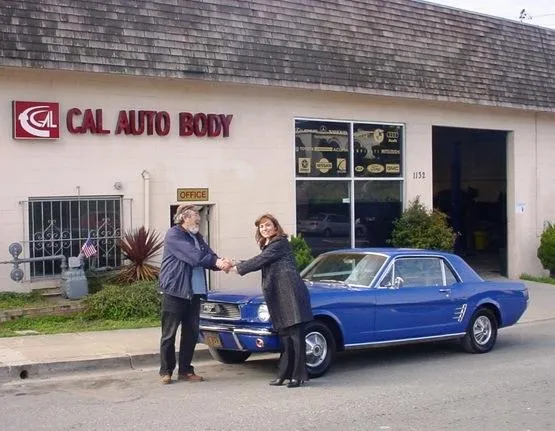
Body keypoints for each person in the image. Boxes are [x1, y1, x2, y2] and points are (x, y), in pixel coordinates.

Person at [232, 214, 313, 388]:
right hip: (279, 295)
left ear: (276, 227)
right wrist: (234, 263)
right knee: (284, 337)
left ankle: (298, 376)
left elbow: (261, 260)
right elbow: (261, 260)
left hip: (290, 294)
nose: (265, 229)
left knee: (295, 336)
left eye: (268, 225)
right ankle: (283, 374)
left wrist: (236, 268)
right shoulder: (268, 246)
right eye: (261, 227)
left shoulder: (280, 243)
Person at [158, 204, 231, 385]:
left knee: (190, 334)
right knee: (169, 334)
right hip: (175, 291)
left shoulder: (197, 237)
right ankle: (166, 371)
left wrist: (222, 263)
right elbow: (195, 257)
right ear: (184, 217)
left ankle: (185, 371)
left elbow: (209, 255)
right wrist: (217, 262)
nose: (198, 218)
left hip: (195, 293)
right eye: (195, 215)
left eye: (199, 214)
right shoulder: (174, 235)